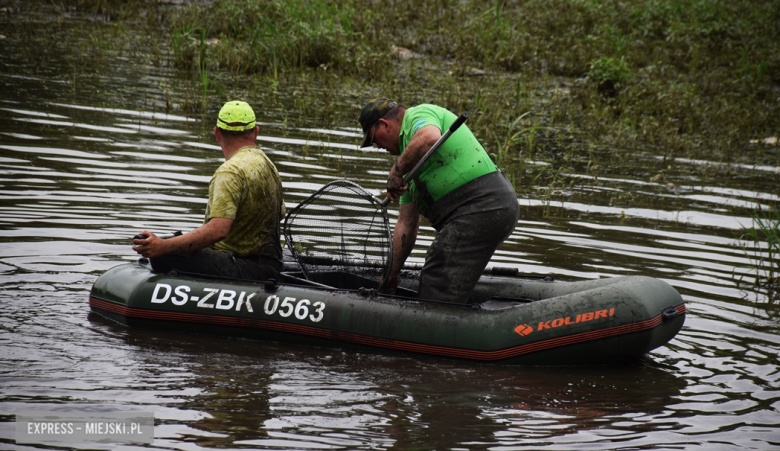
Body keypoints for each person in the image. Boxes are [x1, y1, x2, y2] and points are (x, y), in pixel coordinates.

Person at [359, 98, 518, 303]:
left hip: (482, 204)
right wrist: (391, 272)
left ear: (384, 124)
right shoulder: (412, 172)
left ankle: (429, 329)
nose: (377, 147)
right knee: (442, 268)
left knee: (437, 275)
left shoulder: (417, 115)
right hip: (484, 210)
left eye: (373, 139)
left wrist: (396, 170)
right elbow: (406, 224)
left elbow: (429, 137)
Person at [132, 100, 285, 281]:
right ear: (256, 132)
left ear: (217, 133)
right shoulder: (267, 163)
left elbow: (217, 231)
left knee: (164, 254)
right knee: (173, 240)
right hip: (270, 265)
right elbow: (280, 214)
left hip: (245, 267)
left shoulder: (230, 171)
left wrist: (163, 247)